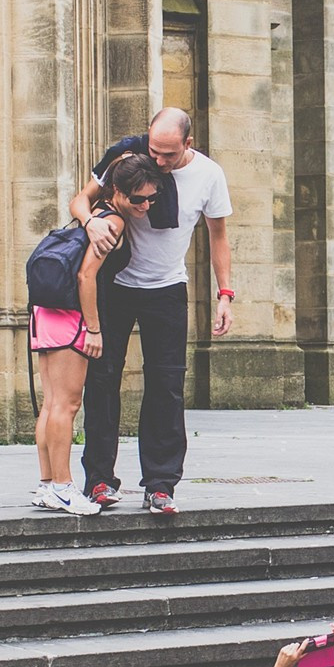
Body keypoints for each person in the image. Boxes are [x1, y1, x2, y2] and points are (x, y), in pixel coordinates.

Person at [71, 108, 234, 516]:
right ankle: (99, 482)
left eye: (168, 155)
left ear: (188, 145)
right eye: (154, 150)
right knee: (103, 380)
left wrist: (225, 293)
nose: (158, 161)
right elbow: (79, 199)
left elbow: (218, 236)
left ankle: (160, 485)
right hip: (117, 285)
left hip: (167, 289)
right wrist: (90, 221)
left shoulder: (209, 176)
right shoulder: (126, 160)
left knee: (167, 386)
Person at [28, 154, 165, 516]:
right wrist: (94, 329)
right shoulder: (114, 222)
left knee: (52, 404)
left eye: (152, 198)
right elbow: (86, 277)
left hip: (47, 313)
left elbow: (79, 200)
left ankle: (46, 485)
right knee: (67, 405)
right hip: (73, 317)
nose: (145, 205)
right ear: (119, 192)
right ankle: (62, 486)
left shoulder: (94, 208)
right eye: (138, 199)